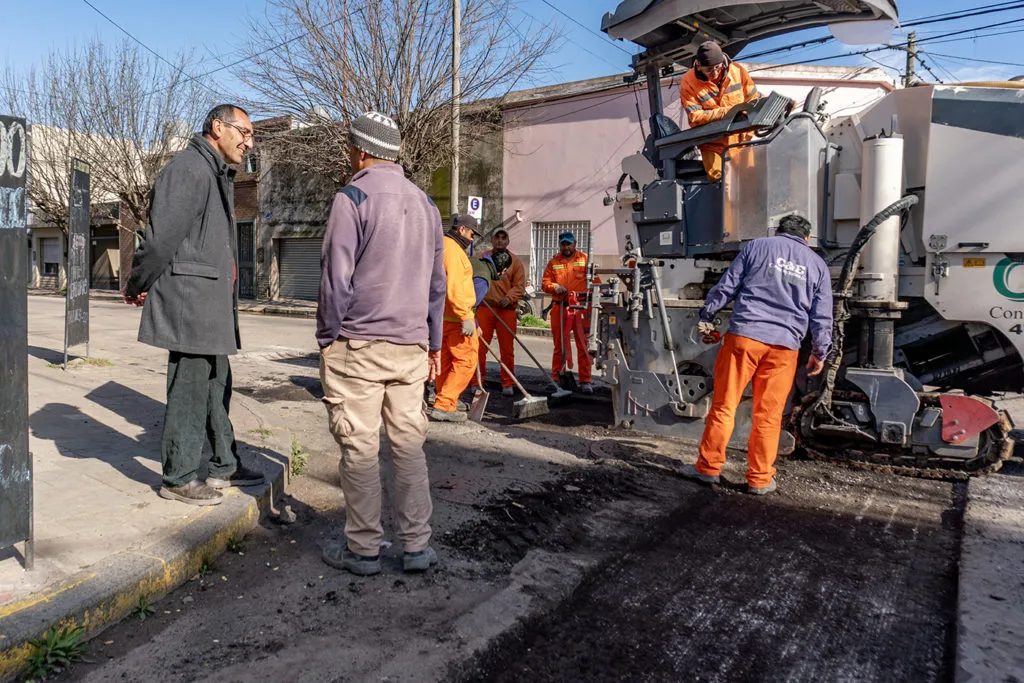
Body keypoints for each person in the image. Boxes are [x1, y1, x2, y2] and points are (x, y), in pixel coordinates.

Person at [317, 111, 446, 576]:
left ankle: (364, 548)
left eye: (351, 147)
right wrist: (433, 343)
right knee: (409, 447)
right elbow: (437, 285)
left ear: (362, 149)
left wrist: (327, 337)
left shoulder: (352, 197)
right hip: (410, 350)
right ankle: (416, 546)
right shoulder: (427, 206)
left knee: (361, 447)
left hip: (359, 346)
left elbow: (336, 280)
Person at [123, 104, 264, 506]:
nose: (248, 142)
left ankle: (224, 463)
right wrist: (138, 283)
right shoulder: (187, 169)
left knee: (217, 384)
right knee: (188, 388)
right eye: (244, 132)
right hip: (191, 304)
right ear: (218, 127)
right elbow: (161, 239)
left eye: (252, 136)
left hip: (210, 305)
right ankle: (178, 477)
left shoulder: (214, 171)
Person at [681, 214, 833, 495]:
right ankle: (760, 479)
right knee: (769, 416)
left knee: (725, 406)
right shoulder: (817, 265)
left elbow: (728, 284)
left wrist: (708, 312)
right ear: (807, 239)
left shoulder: (756, 247)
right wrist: (820, 352)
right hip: (785, 347)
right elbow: (822, 317)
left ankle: (708, 468)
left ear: (777, 231)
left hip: (745, 338)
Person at [680, 40, 761, 180]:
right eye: (709, 69)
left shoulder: (738, 71)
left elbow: (754, 99)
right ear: (698, 66)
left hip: (741, 141)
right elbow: (695, 116)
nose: (715, 72)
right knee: (722, 184)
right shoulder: (688, 82)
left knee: (749, 184)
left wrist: (773, 103)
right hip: (712, 144)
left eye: (718, 67)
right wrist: (729, 111)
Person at [430, 214, 483, 422]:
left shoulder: (440, 246)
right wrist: (465, 316)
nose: (472, 238)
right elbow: (455, 286)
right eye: (471, 233)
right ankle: (444, 404)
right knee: (466, 361)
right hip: (455, 317)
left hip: (441, 317)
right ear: (462, 230)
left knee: (445, 361)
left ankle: (445, 400)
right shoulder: (453, 251)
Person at [473, 230, 525, 397]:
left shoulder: (515, 262)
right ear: (492, 240)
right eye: (497, 237)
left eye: (504, 238)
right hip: (485, 308)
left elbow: (519, 286)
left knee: (507, 350)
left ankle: (508, 382)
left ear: (508, 240)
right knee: (479, 347)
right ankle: (477, 381)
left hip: (506, 311)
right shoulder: (483, 258)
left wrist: (509, 298)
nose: (500, 240)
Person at [542, 231, 593, 394]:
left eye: (569, 243)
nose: (566, 247)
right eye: (563, 244)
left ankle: (585, 380)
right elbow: (545, 283)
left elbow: (595, 282)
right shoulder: (553, 262)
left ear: (575, 243)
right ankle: (557, 378)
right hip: (560, 307)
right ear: (560, 245)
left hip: (580, 309)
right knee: (559, 346)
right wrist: (555, 287)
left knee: (583, 344)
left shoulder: (585, 260)